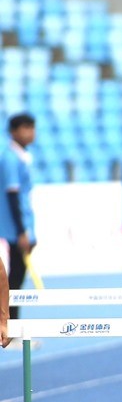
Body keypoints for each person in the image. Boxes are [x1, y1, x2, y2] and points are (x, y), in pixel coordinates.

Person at [0, 113, 37, 323]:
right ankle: (10, 330)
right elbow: (12, 195)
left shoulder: (21, 155)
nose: (30, 133)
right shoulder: (11, 158)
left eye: (32, 128)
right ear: (13, 131)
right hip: (15, 228)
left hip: (22, 225)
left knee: (16, 277)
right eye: (25, 128)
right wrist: (22, 231)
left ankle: (11, 327)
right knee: (13, 279)